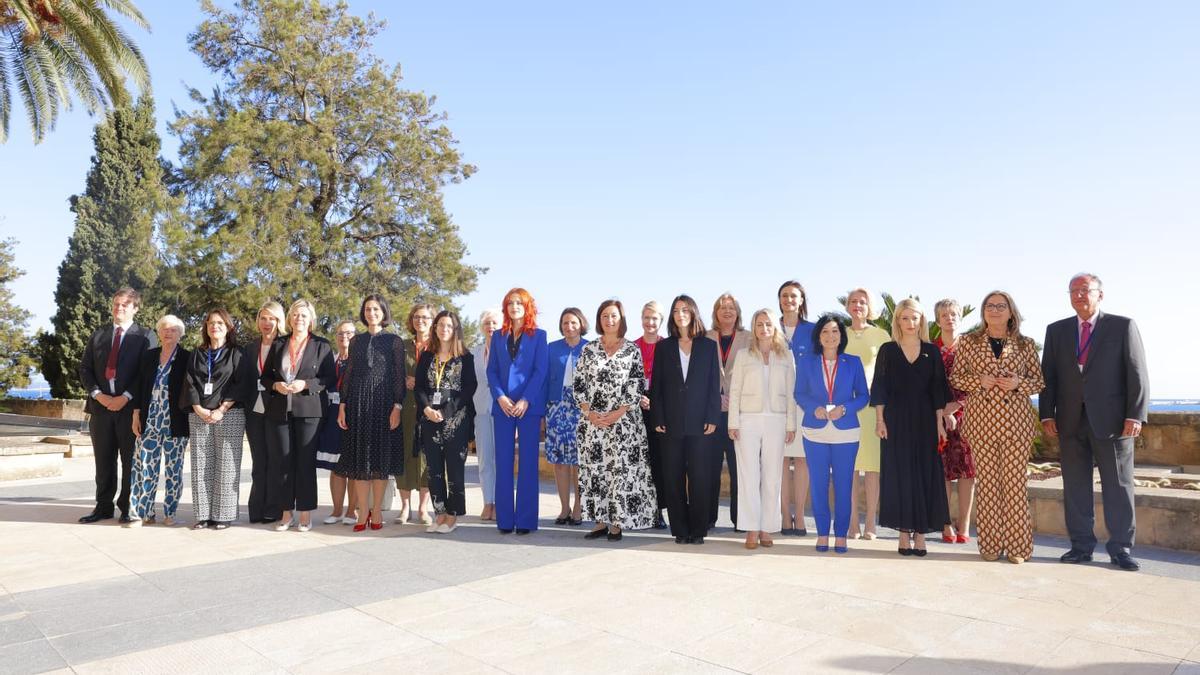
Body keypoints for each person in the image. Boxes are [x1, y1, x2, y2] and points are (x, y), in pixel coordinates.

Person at [1041, 273, 1149, 572]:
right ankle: (1080, 546)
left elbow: (1137, 372)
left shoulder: (1122, 326)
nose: (1078, 295)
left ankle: (1121, 548)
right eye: (1073, 290)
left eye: (1085, 290)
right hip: (1069, 422)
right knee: (1075, 487)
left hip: (1113, 422)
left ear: (1100, 295)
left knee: (1119, 486)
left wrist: (1135, 414)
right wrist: (1047, 413)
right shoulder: (1057, 330)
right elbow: (1048, 376)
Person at [949, 291, 1044, 564]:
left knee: (1014, 486)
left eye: (1000, 306)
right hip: (981, 425)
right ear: (983, 312)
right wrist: (980, 380)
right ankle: (990, 545)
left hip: (1016, 426)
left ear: (1011, 311)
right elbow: (956, 377)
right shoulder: (968, 342)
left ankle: (1018, 548)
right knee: (988, 487)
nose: (994, 310)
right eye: (990, 306)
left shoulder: (1025, 344)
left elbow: (1038, 381)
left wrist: (1018, 385)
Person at [872, 299, 952, 557]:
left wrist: (940, 422)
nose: (910, 323)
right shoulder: (887, 350)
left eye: (914, 318)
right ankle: (903, 534)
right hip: (895, 422)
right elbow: (880, 387)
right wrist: (880, 420)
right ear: (897, 321)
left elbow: (938, 389)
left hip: (926, 421)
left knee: (924, 475)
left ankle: (921, 536)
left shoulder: (932, 351)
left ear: (921, 321)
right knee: (900, 475)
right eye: (904, 318)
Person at [575, 299, 658, 541]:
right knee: (596, 472)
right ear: (599, 320)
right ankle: (600, 522)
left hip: (623, 423)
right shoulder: (588, 349)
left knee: (619, 473)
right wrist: (589, 413)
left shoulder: (631, 350)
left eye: (613, 316)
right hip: (593, 423)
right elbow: (579, 384)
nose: (609, 320)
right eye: (604, 316)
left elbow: (636, 384)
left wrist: (617, 413)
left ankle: (616, 524)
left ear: (621, 319)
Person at [78, 287, 157, 524]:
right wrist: (97, 394)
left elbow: (146, 372)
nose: (119, 308)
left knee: (130, 460)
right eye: (116, 304)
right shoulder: (99, 334)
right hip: (100, 408)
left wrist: (125, 396)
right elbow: (85, 368)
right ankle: (103, 507)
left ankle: (127, 507)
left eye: (124, 304)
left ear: (135, 308)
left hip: (129, 410)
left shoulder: (146, 336)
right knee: (103, 461)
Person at [795, 315, 870, 554]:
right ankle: (822, 533)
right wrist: (812, 408)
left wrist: (845, 408)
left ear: (841, 336)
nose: (830, 336)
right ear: (818, 336)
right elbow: (800, 393)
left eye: (835, 331)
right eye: (825, 331)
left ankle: (841, 534)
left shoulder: (853, 362)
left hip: (846, 432)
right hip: (814, 431)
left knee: (844, 485)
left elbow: (863, 396)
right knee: (817, 485)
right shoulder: (807, 362)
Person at [650, 294, 721, 545]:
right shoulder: (664, 347)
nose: (680, 314)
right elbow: (656, 385)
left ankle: (698, 529)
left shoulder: (708, 346)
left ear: (693, 313)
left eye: (685, 310)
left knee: (700, 477)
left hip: (701, 423)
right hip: (670, 423)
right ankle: (680, 529)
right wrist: (658, 416)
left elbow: (715, 386)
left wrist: (713, 416)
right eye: (676, 310)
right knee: (673, 476)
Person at [262, 299, 336, 533]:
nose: (299, 319)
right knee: (282, 462)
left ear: (311, 319)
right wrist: (276, 386)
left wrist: (306, 384)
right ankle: (286, 514)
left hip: (309, 411)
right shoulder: (279, 344)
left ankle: (305, 513)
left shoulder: (321, 345)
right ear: (289, 319)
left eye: (303, 315)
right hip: (280, 411)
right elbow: (265, 378)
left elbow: (328, 379)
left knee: (305, 463)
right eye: (295, 315)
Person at [727, 309, 796, 550]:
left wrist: (791, 424)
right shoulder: (744, 355)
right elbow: (734, 390)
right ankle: (751, 528)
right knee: (748, 475)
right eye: (759, 324)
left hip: (777, 421)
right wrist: (733, 422)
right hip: (748, 420)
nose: (764, 328)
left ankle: (767, 527)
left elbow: (791, 394)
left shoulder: (786, 356)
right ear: (754, 329)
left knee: (772, 476)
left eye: (768, 324)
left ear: (774, 328)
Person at [337, 294, 406, 532]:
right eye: (367, 309)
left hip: (383, 405)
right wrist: (343, 405)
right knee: (359, 461)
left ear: (384, 312)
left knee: (379, 460)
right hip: (357, 405)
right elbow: (349, 375)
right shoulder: (355, 341)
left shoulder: (395, 341)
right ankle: (362, 511)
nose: (371, 313)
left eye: (376, 309)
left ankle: (376, 510)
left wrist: (397, 406)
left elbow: (398, 377)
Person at [487, 288, 549, 535]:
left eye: (518, 303)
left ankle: (525, 521)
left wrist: (526, 400)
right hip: (502, 407)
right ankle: (504, 520)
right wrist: (500, 396)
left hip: (528, 408)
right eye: (510, 303)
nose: (514, 306)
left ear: (527, 307)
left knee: (528, 464)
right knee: (503, 462)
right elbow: (492, 370)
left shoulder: (539, 336)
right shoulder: (498, 336)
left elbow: (540, 371)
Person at [181, 308, 247, 530]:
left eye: (219, 323)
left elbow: (241, 383)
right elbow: (189, 382)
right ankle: (203, 515)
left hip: (229, 414)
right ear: (206, 327)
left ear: (228, 327)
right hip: (200, 414)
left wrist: (222, 408)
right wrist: (198, 408)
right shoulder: (198, 353)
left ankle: (223, 515)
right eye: (210, 323)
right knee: (201, 465)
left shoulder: (236, 353)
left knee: (227, 464)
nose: (214, 326)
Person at [415, 310, 477, 534]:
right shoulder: (426, 355)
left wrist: (447, 410)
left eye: (449, 326)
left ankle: (453, 515)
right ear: (435, 328)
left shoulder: (465, 357)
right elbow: (420, 387)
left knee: (455, 469)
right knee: (434, 470)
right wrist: (427, 409)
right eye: (441, 325)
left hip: (456, 420)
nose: (444, 329)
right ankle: (439, 513)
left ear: (455, 329)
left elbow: (470, 388)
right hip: (430, 419)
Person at [126, 315, 189, 527]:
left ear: (180, 334)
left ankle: (170, 512)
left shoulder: (187, 358)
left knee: (173, 470)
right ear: (159, 332)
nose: (168, 332)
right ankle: (142, 513)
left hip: (175, 422)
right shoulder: (149, 356)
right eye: (164, 329)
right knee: (144, 466)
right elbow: (138, 386)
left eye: (173, 329)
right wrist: (136, 414)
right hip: (149, 419)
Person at [844, 287, 890, 540]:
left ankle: (870, 523)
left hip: (873, 409)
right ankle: (852, 523)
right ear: (848, 306)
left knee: (872, 469)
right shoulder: (839, 333)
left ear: (869, 306)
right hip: (845, 409)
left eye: (862, 302)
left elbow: (887, 373)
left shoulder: (881, 335)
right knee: (848, 468)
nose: (857, 305)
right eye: (853, 301)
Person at [706, 292, 751, 530]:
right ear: (715, 313)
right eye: (722, 307)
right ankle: (708, 518)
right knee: (710, 468)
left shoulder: (749, 338)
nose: (727, 311)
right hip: (711, 415)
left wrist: (733, 400)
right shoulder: (704, 337)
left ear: (737, 312)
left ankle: (740, 519)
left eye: (731, 307)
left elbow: (753, 375)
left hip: (740, 414)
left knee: (739, 469)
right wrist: (716, 399)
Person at [933, 299, 975, 544]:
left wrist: (957, 406)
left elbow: (979, 381)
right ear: (938, 320)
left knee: (968, 471)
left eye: (954, 314)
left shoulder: (971, 347)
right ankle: (945, 523)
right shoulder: (931, 349)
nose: (949, 318)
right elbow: (927, 386)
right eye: (944, 314)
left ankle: (965, 523)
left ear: (960, 317)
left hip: (969, 416)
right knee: (943, 471)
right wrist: (941, 411)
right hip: (938, 419)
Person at [778, 281, 816, 536]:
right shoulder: (769, 326)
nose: (789, 299)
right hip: (775, 404)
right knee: (778, 460)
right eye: (784, 296)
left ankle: (800, 515)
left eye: (794, 296)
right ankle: (783, 516)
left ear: (801, 300)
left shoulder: (814, 330)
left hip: (804, 403)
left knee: (802, 460)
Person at [242, 301, 285, 525]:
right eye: (263, 318)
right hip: (254, 410)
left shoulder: (285, 345)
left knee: (276, 460)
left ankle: (273, 508)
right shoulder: (249, 348)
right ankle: (256, 508)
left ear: (279, 321)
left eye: (272, 318)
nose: (267, 323)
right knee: (259, 461)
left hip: (277, 408)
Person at [545, 307, 588, 526]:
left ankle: (579, 508)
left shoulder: (591, 348)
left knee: (579, 462)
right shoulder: (551, 348)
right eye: (565, 323)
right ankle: (564, 508)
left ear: (581, 323)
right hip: (556, 409)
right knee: (560, 462)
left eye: (573, 322)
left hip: (582, 411)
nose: (569, 327)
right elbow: (543, 380)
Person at [397, 303, 435, 525]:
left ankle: (423, 508)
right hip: (404, 407)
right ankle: (404, 507)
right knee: (403, 455)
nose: (420, 321)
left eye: (425, 317)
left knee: (425, 458)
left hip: (429, 408)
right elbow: (392, 374)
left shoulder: (439, 346)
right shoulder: (401, 346)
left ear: (432, 321)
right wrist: (403, 382)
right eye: (416, 317)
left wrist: (420, 383)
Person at [317, 320, 356, 524]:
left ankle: (351, 512)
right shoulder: (330, 359)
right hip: (331, 414)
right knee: (336, 466)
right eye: (340, 333)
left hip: (353, 415)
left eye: (349, 333)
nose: (344, 337)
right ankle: (337, 510)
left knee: (352, 465)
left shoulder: (359, 361)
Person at [635, 300, 668, 529]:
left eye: (654, 318)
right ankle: (638, 509)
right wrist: (637, 396)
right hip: (636, 410)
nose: (650, 322)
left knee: (659, 461)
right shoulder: (631, 346)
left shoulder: (668, 346)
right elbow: (624, 379)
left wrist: (655, 401)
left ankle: (658, 510)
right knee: (639, 461)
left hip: (661, 410)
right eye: (646, 317)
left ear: (661, 321)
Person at [471, 309, 502, 521]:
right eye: (487, 323)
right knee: (484, 460)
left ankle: (501, 502)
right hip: (480, 410)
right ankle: (487, 502)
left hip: (503, 411)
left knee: (501, 460)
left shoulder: (509, 351)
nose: (491, 327)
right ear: (482, 327)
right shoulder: (474, 353)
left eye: (494, 323)